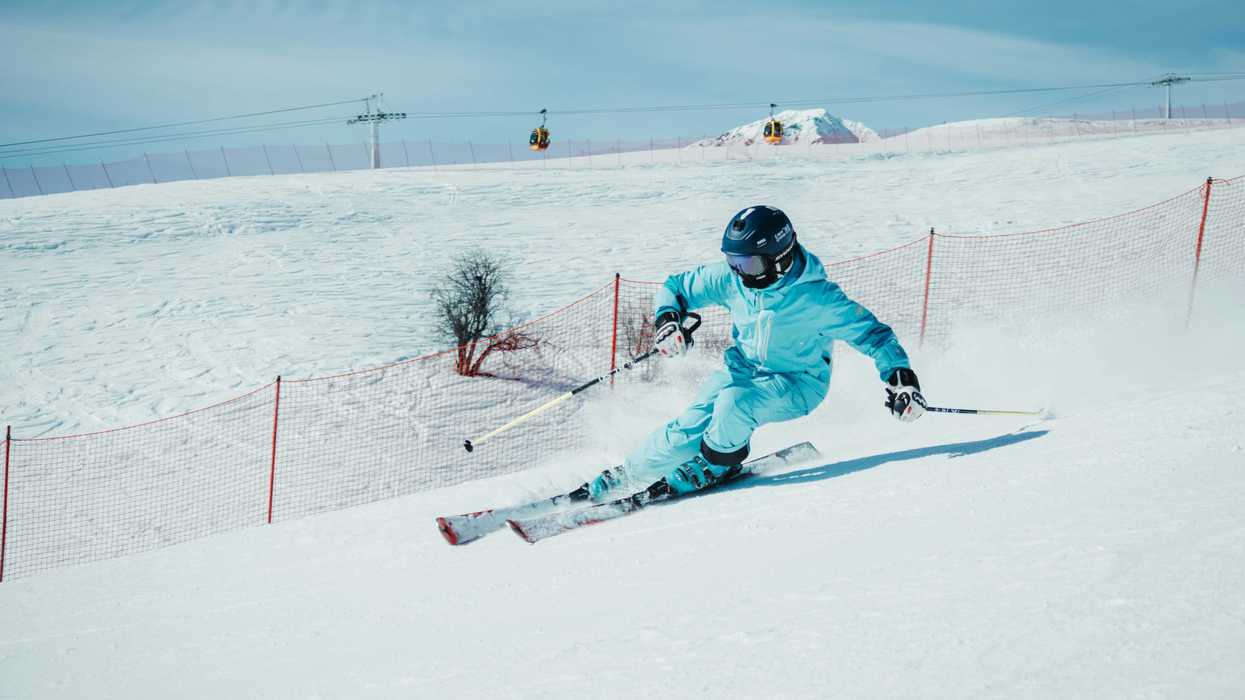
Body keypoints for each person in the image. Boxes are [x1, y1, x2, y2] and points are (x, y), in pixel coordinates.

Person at [587, 205, 925, 502]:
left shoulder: (818, 298)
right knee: (684, 432)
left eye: (747, 263)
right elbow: (676, 287)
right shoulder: (735, 279)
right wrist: (668, 321)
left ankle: (716, 464)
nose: (737, 271)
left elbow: (875, 336)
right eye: (732, 261)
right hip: (742, 371)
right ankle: (630, 473)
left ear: (779, 259)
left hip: (797, 383)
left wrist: (901, 379)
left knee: (733, 405)